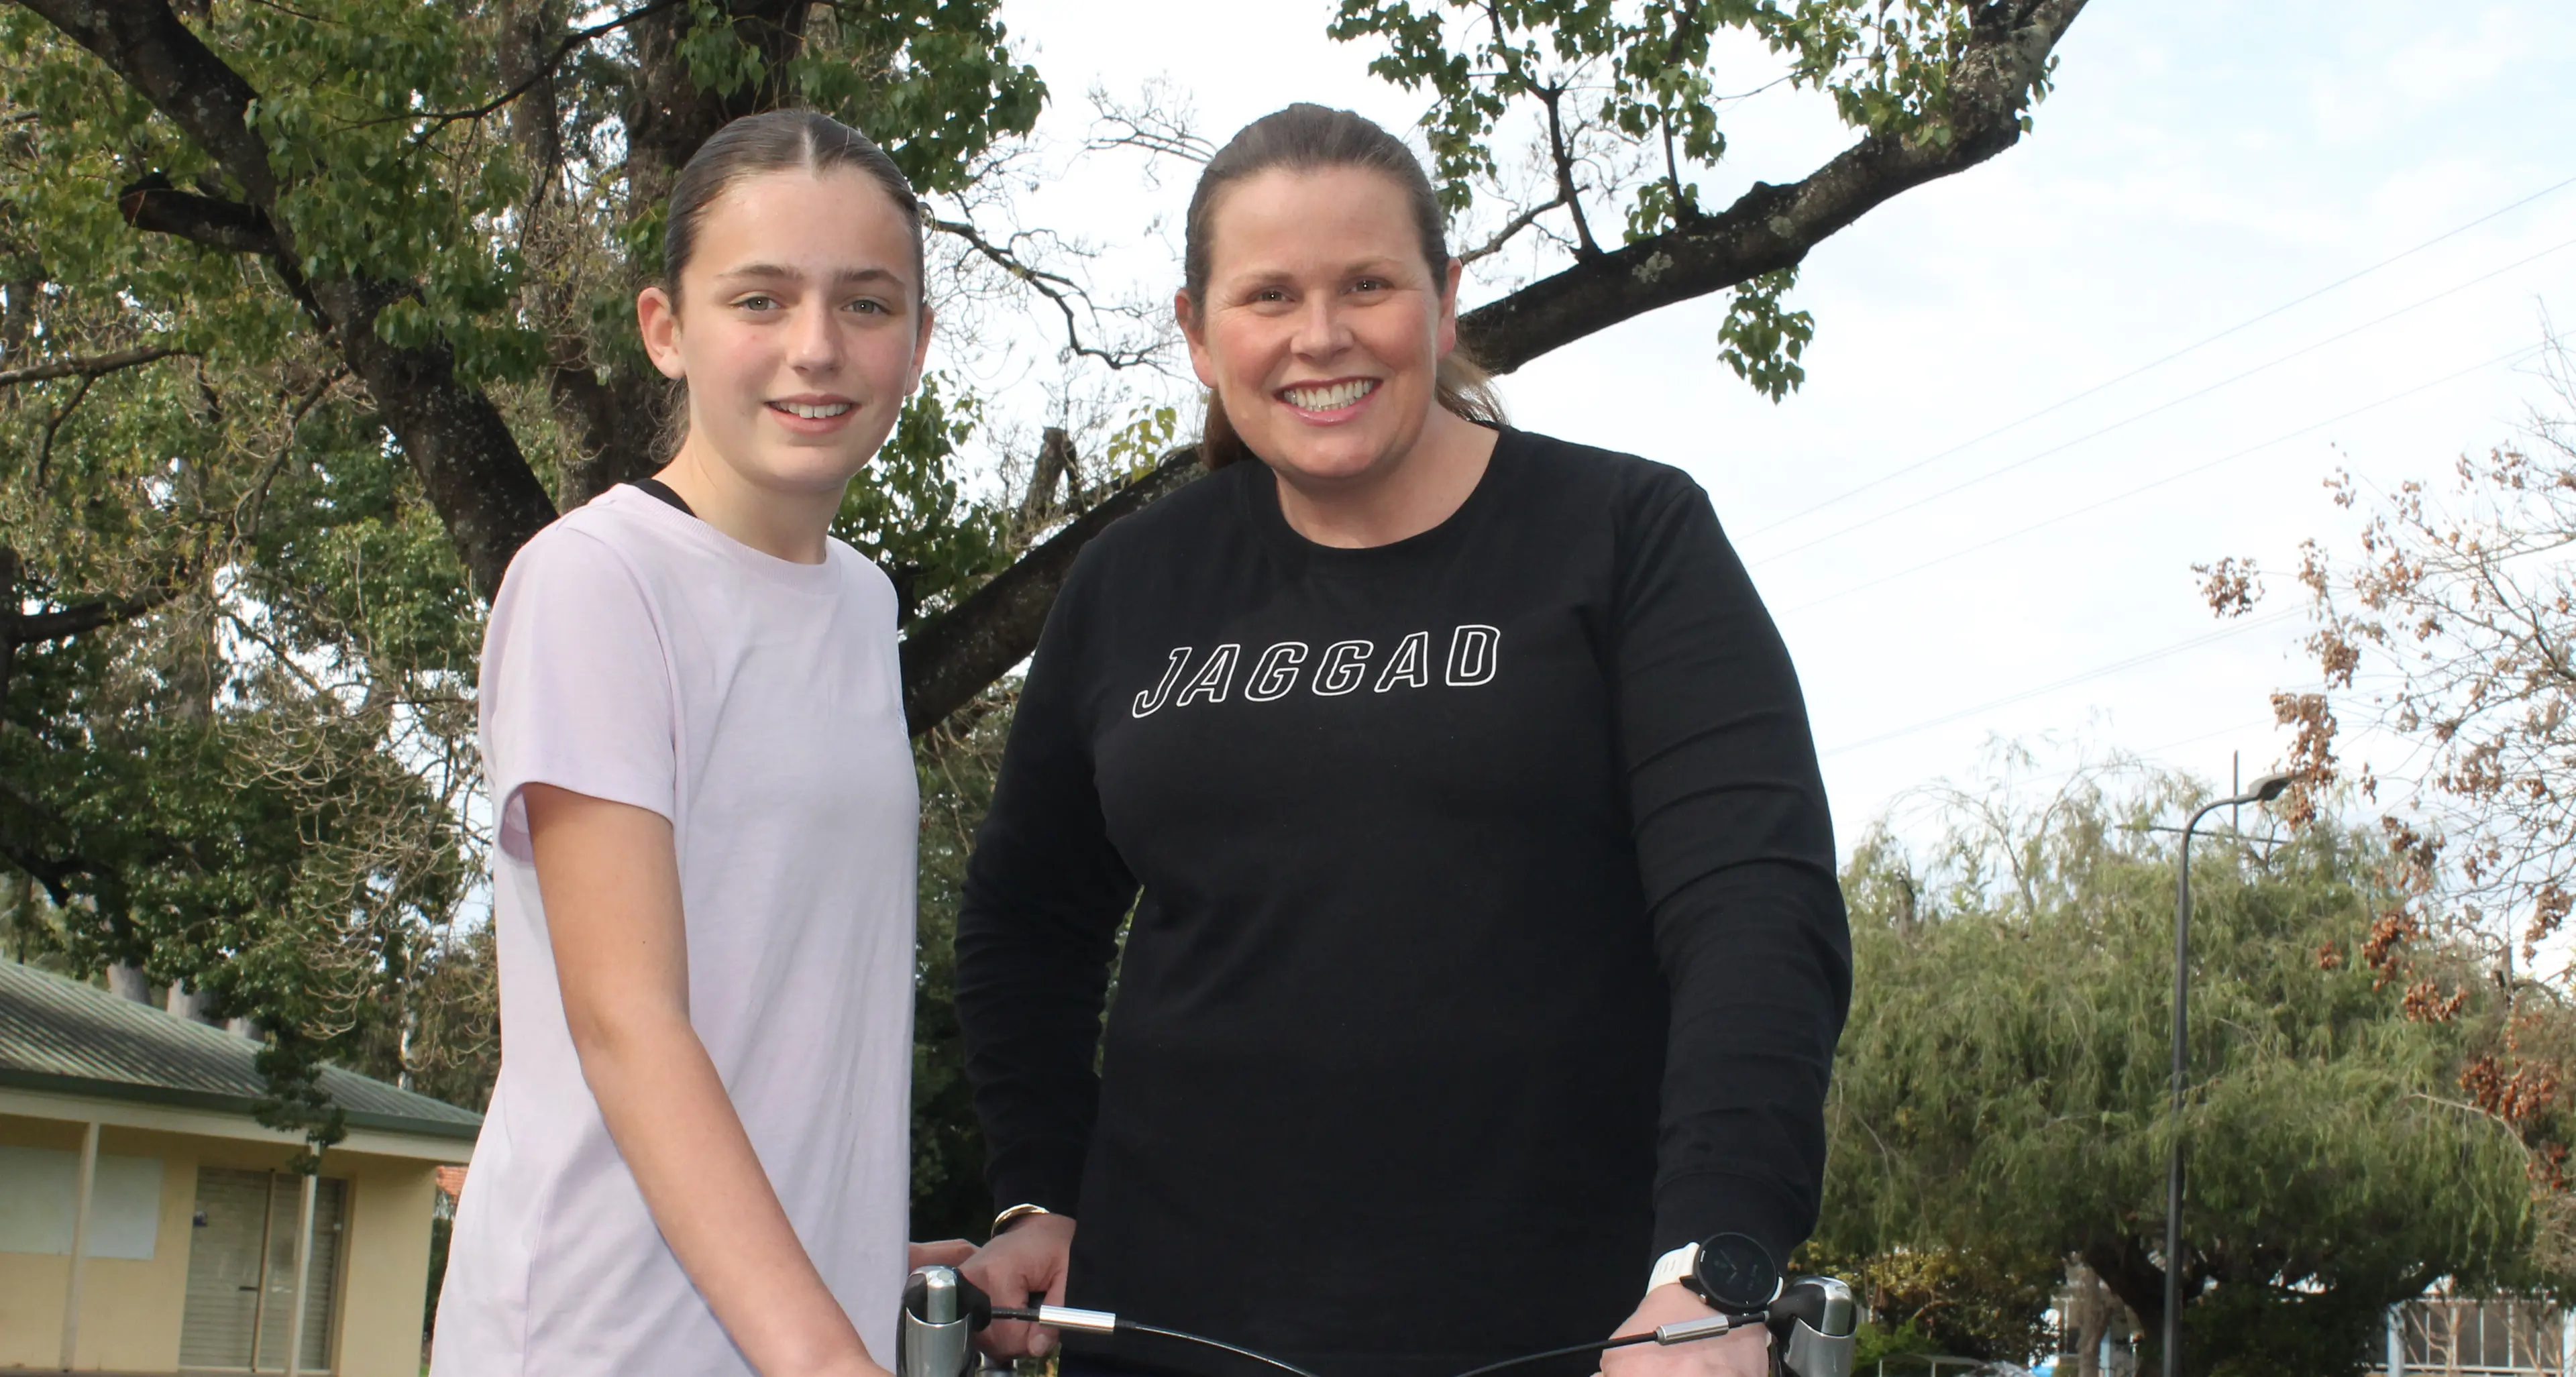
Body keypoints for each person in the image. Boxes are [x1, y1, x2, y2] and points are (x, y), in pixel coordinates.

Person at [953, 103, 1852, 1377]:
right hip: (1172, 1332)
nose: (1321, 336)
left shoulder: (1627, 536)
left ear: (1444, 298)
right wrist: (1036, 1190)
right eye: (1269, 296)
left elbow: (1756, 908)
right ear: (1199, 336)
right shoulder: (1129, 584)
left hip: (1577, 1340)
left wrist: (1711, 1270)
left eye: (1368, 284)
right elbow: (1025, 921)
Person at [432, 109, 961, 1377]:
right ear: (666, 328)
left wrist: (875, 1257)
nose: (817, 349)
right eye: (761, 300)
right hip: (599, 1338)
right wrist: (826, 1360)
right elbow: (627, 1024)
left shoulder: (864, 603)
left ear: (920, 343)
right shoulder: (595, 581)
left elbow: (789, 1013)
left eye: (868, 305)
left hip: (797, 1331)